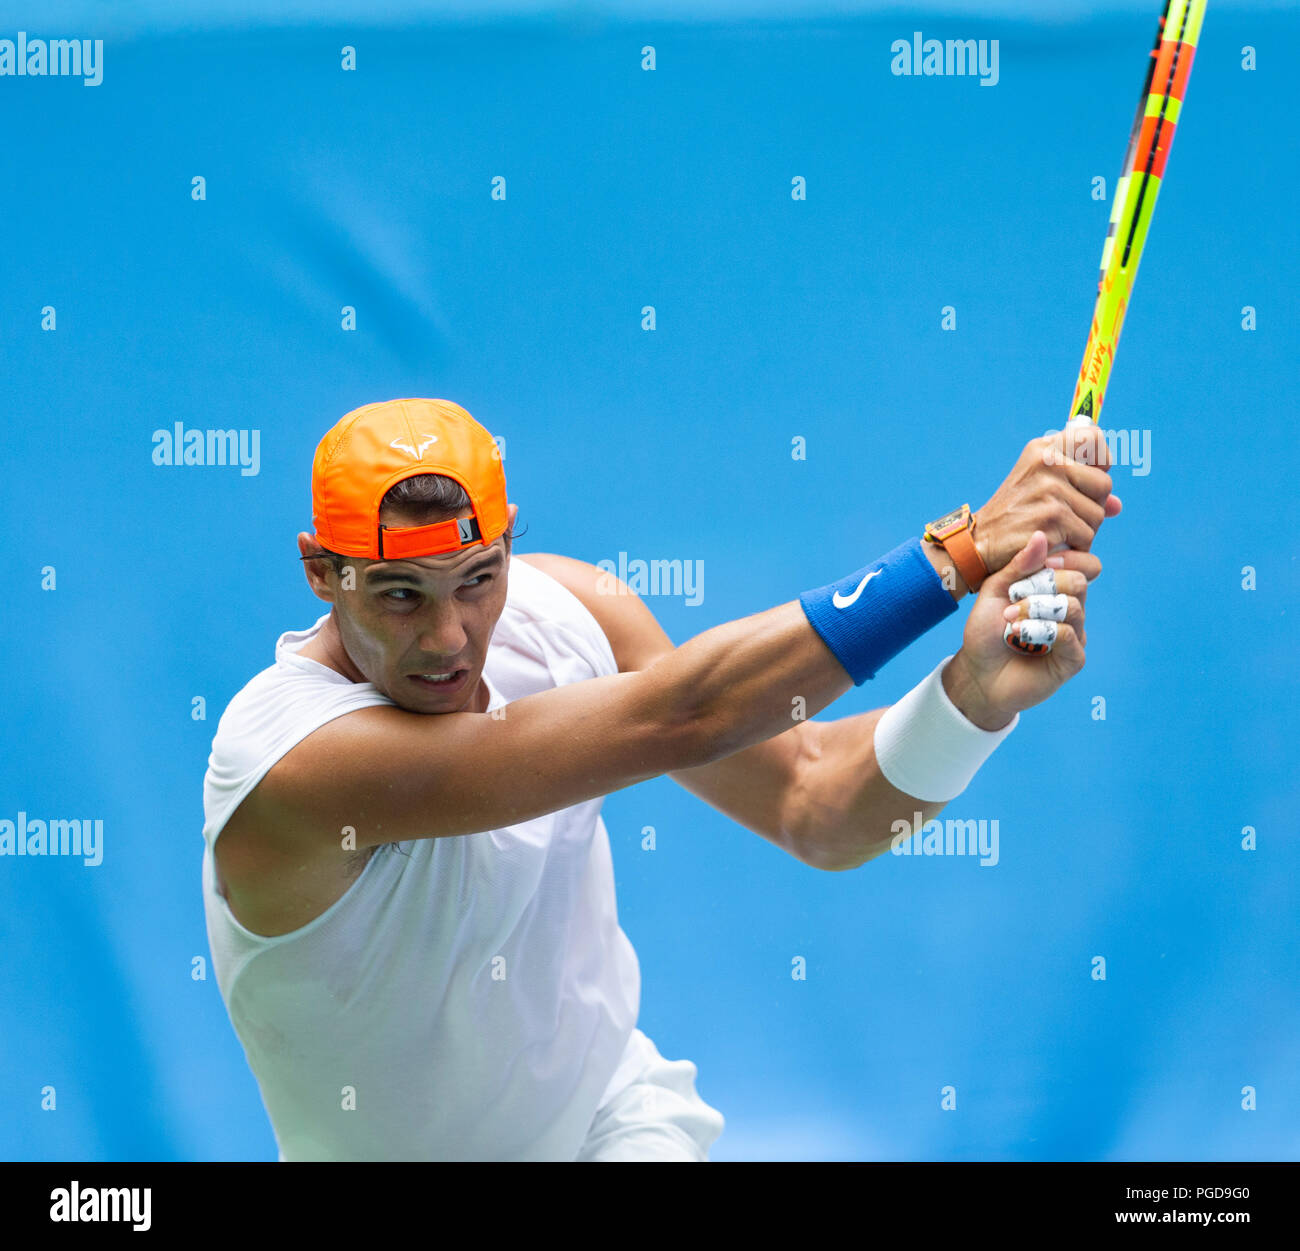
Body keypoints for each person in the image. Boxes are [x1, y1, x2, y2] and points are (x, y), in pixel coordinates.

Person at [201, 396, 1118, 1161]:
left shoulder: (572, 617)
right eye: (401, 593)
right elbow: (683, 713)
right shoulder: (291, 760)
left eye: (478, 578)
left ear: (512, 543)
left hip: (617, 1126)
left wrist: (975, 695)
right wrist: (954, 556)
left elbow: (817, 804)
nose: (448, 636)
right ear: (323, 572)